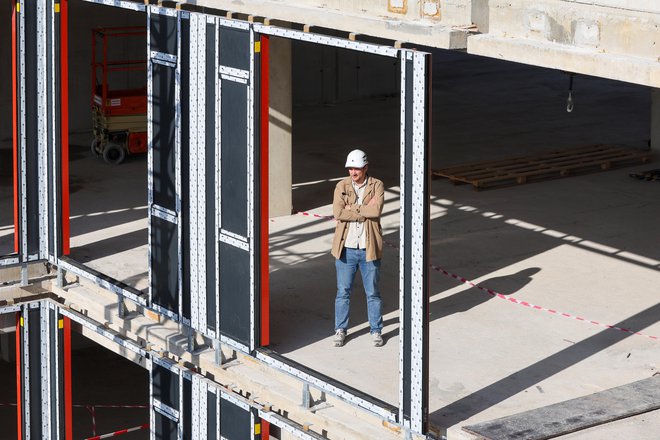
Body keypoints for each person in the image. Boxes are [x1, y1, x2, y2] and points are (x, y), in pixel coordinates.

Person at [331, 149, 385, 347]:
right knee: (342, 292)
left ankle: (376, 330)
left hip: (368, 249)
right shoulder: (341, 186)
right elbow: (338, 212)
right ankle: (340, 329)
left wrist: (351, 208)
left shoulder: (377, 185)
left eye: (357, 168)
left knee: (372, 292)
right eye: (351, 168)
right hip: (346, 249)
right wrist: (363, 210)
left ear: (366, 168)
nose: (353, 172)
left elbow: (376, 210)